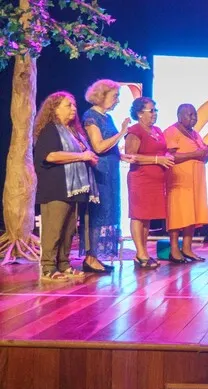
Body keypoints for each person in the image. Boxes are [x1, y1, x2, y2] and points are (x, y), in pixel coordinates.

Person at [33, 91, 99, 281]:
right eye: (68, 105)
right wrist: (81, 156)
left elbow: (84, 153)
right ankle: (48, 267)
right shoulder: (50, 129)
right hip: (56, 187)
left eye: (74, 105)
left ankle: (63, 264)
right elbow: (50, 156)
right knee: (54, 229)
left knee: (69, 230)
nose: (74, 108)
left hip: (73, 188)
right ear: (54, 108)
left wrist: (89, 158)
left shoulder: (73, 131)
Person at [79, 79, 129, 273]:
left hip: (111, 171)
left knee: (108, 211)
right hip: (99, 172)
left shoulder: (107, 117)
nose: (117, 101)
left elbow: (109, 147)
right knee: (98, 214)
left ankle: (96, 257)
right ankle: (91, 258)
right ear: (101, 96)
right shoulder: (91, 116)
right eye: (115, 96)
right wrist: (123, 132)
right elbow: (98, 146)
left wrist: (121, 155)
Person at [124, 97, 174, 269]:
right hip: (141, 179)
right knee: (138, 215)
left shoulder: (157, 131)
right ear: (139, 113)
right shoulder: (135, 131)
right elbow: (130, 156)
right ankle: (140, 253)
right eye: (151, 110)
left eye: (155, 110)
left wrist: (167, 156)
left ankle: (143, 252)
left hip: (156, 181)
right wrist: (156, 159)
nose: (154, 114)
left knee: (147, 217)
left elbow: (161, 151)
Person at [164, 104, 208, 262]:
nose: (194, 118)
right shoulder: (171, 131)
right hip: (179, 181)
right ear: (179, 116)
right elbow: (170, 157)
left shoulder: (195, 134)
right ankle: (174, 250)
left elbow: (201, 155)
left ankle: (187, 248)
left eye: (195, 115)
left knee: (191, 214)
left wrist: (207, 152)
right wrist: (194, 154)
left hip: (195, 182)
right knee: (178, 215)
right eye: (189, 115)